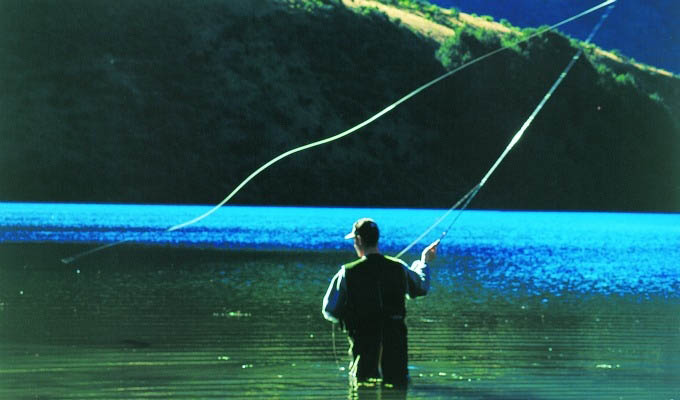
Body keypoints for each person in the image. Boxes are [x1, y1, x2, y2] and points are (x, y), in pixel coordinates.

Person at [322, 218, 439, 387]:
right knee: (396, 387)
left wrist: (349, 318)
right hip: (396, 350)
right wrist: (424, 262)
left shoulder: (347, 272)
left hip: (364, 350)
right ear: (376, 239)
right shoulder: (399, 268)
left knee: (362, 386)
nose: (355, 244)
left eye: (355, 240)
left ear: (359, 240)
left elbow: (330, 310)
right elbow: (420, 289)